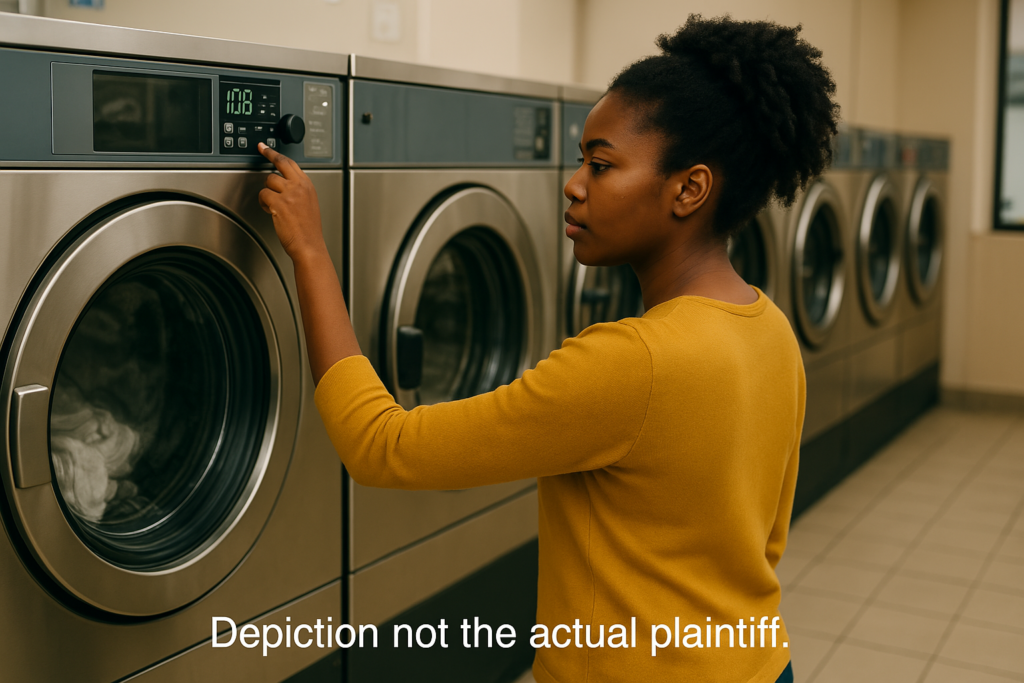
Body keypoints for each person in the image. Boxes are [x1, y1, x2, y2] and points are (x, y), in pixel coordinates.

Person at [257, 14, 838, 683]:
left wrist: (309, 252)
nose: (574, 183)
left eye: (601, 164)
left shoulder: (630, 362)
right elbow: (763, 541)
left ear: (689, 189)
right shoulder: (771, 330)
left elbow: (380, 445)